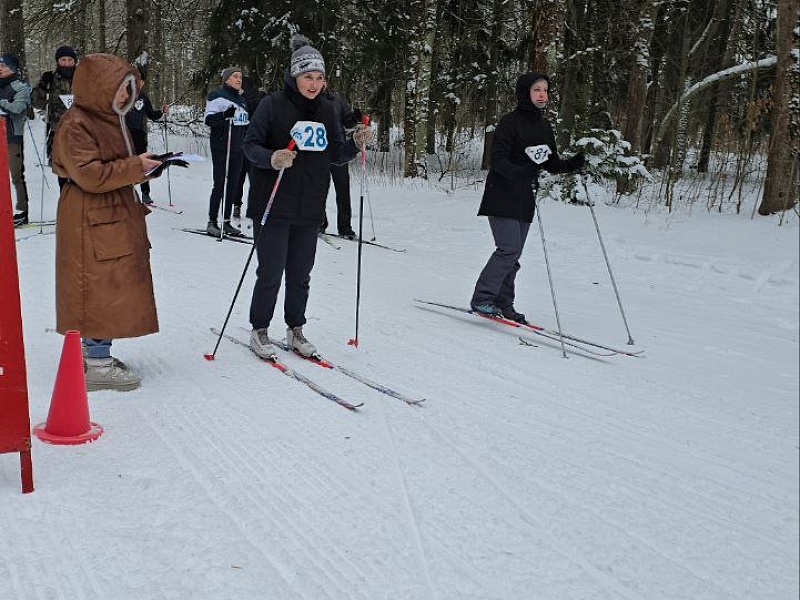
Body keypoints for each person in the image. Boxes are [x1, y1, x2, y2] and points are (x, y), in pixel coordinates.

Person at [242, 35, 370, 358]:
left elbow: (335, 154)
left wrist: (355, 144)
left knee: (300, 274)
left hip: (310, 205)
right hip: (273, 203)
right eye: (307, 77)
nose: (313, 84)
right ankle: (259, 329)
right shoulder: (272, 105)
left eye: (319, 77)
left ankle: (295, 329)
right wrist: (272, 158)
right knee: (271, 272)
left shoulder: (328, 110)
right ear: (294, 76)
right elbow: (250, 145)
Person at [51, 53, 162, 392]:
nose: (126, 95)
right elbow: (90, 174)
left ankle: (95, 355)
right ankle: (97, 364)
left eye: (129, 88)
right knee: (97, 287)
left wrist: (145, 167)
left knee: (110, 285)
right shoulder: (77, 123)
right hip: (91, 215)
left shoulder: (106, 118)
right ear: (99, 87)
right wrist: (135, 167)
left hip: (108, 213)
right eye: (120, 88)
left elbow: (113, 165)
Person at [470, 73, 585, 324]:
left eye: (545, 90)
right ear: (525, 93)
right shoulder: (509, 123)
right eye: (536, 90)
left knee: (513, 256)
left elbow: (550, 162)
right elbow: (498, 161)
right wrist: (523, 172)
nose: (542, 94)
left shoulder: (544, 127)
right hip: (501, 194)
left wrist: (572, 164)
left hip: (524, 197)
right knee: (508, 249)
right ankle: (482, 298)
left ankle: (503, 303)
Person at [204, 66, 249, 236]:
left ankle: (226, 221)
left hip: (238, 147)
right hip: (222, 145)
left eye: (240, 77)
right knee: (220, 184)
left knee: (233, 185)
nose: (239, 79)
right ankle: (212, 222)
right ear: (226, 79)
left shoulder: (242, 100)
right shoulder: (217, 96)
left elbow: (245, 124)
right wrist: (223, 115)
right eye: (235, 76)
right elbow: (208, 120)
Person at [320, 87, 358, 239]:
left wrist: (354, 118)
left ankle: (345, 227)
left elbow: (347, 121)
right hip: (319, 152)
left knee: (343, 191)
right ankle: (320, 223)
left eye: (322, 78)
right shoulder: (310, 100)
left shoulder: (336, 99)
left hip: (339, 150)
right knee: (319, 190)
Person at [32, 45, 77, 168]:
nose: (67, 63)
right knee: (61, 168)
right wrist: (42, 87)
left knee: (80, 169)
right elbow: (37, 103)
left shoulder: (83, 78)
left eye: (70, 60)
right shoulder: (50, 79)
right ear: (57, 61)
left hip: (81, 131)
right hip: (57, 131)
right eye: (63, 60)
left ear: (74, 61)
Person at [0, 53, 32, 226]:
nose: (0, 68)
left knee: (16, 175)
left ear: (12, 68)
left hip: (12, 137)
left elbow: (18, 108)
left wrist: (2, 102)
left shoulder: (19, 87)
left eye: (3, 65)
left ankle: (21, 211)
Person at [125, 79, 168, 204]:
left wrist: (161, 111)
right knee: (126, 163)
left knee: (143, 164)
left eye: (141, 81)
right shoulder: (124, 95)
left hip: (139, 135)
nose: (139, 83)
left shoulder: (144, 98)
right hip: (124, 135)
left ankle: (145, 193)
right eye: (136, 81)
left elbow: (152, 115)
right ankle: (125, 192)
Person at [230, 75, 265, 222]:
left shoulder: (253, 99)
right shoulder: (243, 98)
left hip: (250, 144)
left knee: (247, 178)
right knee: (243, 177)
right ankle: (240, 206)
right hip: (245, 144)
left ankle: (245, 207)